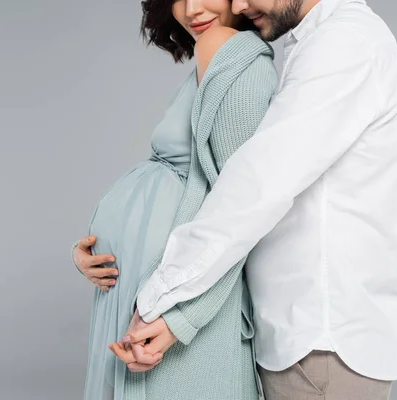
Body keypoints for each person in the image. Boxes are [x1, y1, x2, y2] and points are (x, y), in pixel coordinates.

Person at [115, 0, 397, 399]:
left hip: (321, 344)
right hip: (304, 343)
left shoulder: (346, 42)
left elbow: (256, 186)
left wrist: (165, 299)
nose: (237, 5)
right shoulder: (315, 43)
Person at [71, 0, 278, 399]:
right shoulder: (215, 56)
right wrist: (92, 250)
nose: (192, 9)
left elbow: (240, 209)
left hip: (181, 294)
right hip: (147, 286)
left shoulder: (226, 48)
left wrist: (181, 317)